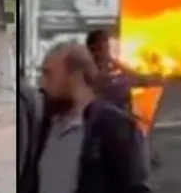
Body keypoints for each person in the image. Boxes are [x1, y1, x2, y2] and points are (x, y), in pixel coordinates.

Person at [30, 42, 151, 193]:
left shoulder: (112, 126)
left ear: (75, 77)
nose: (42, 84)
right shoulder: (47, 125)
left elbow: (135, 186)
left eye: (48, 74)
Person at [85, 29, 162, 111]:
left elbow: (140, 79)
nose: (109, 44)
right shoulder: (88, 67)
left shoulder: (113, 66)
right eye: (105, 41)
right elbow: (97, 87)